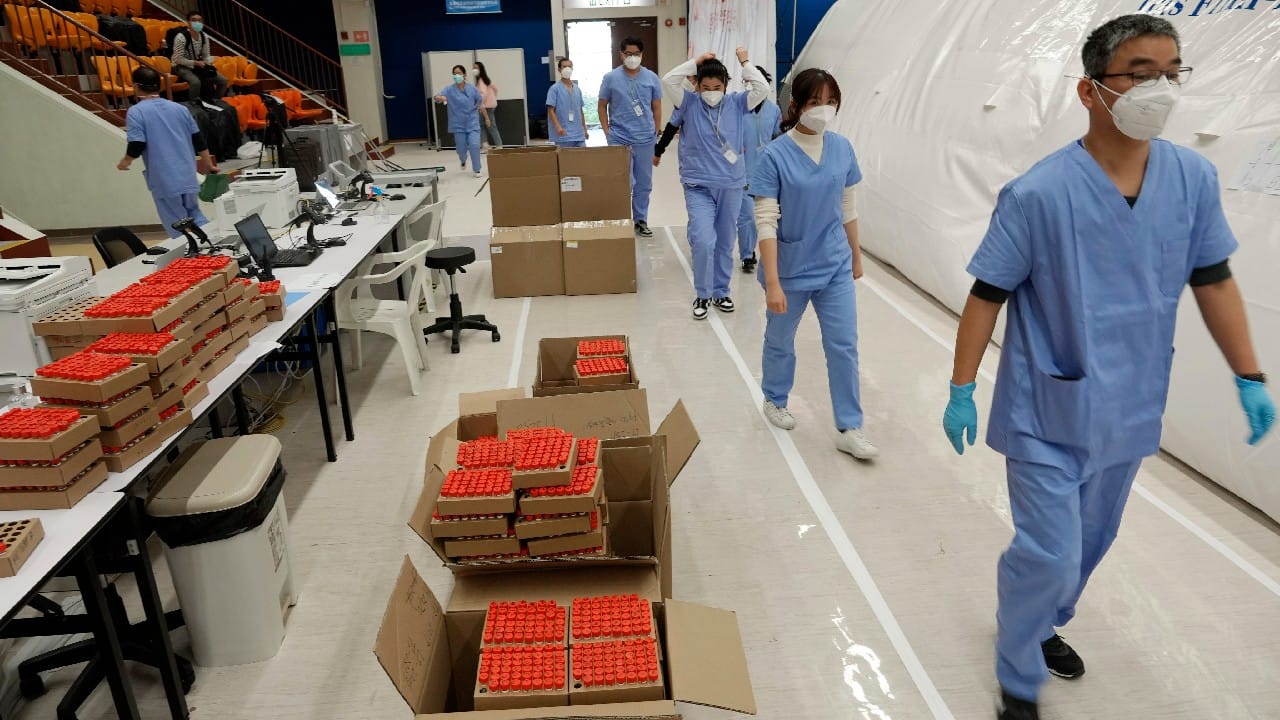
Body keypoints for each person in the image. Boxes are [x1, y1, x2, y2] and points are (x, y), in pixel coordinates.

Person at [940, 15, 1276, 720]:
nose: (1159, 87)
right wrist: (962, 388)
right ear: (1091, 90)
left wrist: (1250, 375)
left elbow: (1212, 279)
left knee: (1089, 546)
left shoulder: (1191, 178)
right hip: (1047, 408)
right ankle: (1018, 675)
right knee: (1050, 550)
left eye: (1170, 71)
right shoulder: (1039, 194)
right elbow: (986, 295)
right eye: (1139, 72)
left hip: (1128, 408)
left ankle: (1039, 618)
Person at [752, 69, 878, 460]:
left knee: (843, 345)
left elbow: (848, 206)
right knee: (780, 340)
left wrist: (855, 256)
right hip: (790, 268)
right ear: (796, 106)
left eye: (830, 101)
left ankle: (849, 426)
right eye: (814, 102)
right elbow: (766, 220)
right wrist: (772, 282)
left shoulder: (842, 148)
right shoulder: (773, 156)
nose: (823, 110)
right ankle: (774, 397)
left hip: (834, 263)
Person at [662, 49, 768, 320]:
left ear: (726, 86)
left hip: (731, 184)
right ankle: (703, 293)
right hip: (698, 184)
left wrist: (745, 61)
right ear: (696, 85)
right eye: (705, 87)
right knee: (703, 240)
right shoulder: (688, 102)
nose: (711, 92)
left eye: (717, 87)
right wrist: (696, 62)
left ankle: (721, 292)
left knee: (724, 241)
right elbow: (668, 80)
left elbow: (762, 87)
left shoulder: (737, 103)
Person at [117, 66, 218, 238]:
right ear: (160, 86)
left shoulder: (136, 112)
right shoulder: (179, 109)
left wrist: (126, 161)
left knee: (177, 225)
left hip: (164, 179)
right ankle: (212, 248)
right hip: (187, 174)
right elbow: (198, 139)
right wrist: (208, 163)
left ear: (136, 86)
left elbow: (137, 144)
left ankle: (191, 260)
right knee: (196, 216)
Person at [598, 37, 663, 238]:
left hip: (645, 138)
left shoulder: (651, 78)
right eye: (628, 54)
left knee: (644, 183)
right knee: (623, 181)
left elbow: (657, 106)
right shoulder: (611, 78)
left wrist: (656, 131)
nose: (632, 57)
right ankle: (620, 218)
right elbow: (602, 105)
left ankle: (640, 220)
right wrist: (607, 132)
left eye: (636, 54)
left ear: (642, 55)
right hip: (619, 138)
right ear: (621, 54)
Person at [738, 66, 782, 274]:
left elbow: (778, 138)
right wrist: (732, 153)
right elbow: (722, 138)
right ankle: (747, 255)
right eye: (747, 81)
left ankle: (771, 253)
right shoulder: (737, 107)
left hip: (766, 171)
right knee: (746, 216)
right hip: (742, 171)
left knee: (767, 216)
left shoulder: (774, 111)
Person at [434, 65, 484, 178]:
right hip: (458, 124)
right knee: (461, 148)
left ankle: (477, 169)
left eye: (459, 73)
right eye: (454, 73)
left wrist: (476, 108)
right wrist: (440, 98)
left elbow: (479, 100)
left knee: (474, 145)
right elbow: (436, 96)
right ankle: (463, 159)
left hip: (472, 123)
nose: (457, 75)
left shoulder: (472, 89)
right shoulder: (449, 89)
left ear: (465, 75)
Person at [171, 10, 227, 100]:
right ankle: (194, 105)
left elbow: (206, 56)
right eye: (194, 20)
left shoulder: (204, 36)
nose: (197, 22)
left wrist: (207, 61)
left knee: (223, 81)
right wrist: (196, 63)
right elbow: (178, 59)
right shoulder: (181, 37)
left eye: (199, 20)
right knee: (195, 82)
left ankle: (215, 101)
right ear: (188, 22)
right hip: (179, 66)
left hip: (195, 65)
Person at [546, 58, 586, 148]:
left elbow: (580, 110)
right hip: (563, 136)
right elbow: (550, 110)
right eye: (564, 66)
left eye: (569, 66)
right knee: (566, 161)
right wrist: (558, 127)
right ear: (559, 69)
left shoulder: (577, 89)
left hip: (578, 135)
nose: (567, 69)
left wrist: (585, 130)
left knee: (583, 159)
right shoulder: (554, 89)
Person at [473, 61, 503, 149]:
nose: (474, 70)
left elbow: (483, 94)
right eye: (473, 68)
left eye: (476, 68)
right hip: (489, 106)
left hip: (485, 107)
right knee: (482, 125)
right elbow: (495, 90)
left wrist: (481, 103)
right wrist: (492, 99)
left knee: (490, 126)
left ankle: (498, 145)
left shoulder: (481, 81)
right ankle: (486, 144)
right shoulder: (486, 79)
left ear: (480, 70)